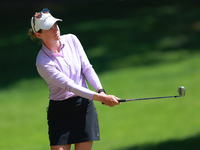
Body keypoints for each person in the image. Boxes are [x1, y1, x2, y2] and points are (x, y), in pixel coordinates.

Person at [29, 8, 120, 150]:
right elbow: (69, 86)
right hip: (60, 112)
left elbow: (87, 68)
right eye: (49, 28)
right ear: (38, 35)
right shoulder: (43, 62)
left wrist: (101, 91)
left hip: (83, 107)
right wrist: (101, 98)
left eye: (55, 25)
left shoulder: (72, 39)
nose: (55, 30)